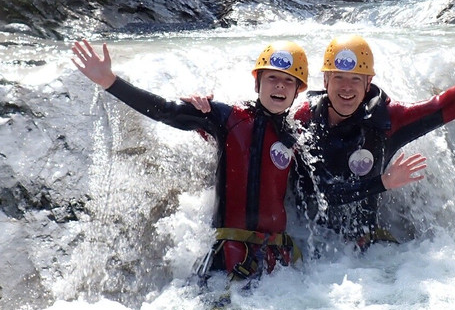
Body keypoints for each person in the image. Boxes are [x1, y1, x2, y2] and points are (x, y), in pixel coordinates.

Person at [71, 38, 310, 281]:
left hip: (276, 264)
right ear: (257, 83)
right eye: (272, 77)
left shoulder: (296, 136)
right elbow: (166, 111)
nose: (279, 86)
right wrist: (111, 82)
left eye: (288, 81)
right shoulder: (227, 117)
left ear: (297, 91)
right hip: (226, 258)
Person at [292, 13, 455, 245]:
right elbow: (315, 192)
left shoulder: (387, 121)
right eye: (339, 78)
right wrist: (382, 183)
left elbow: (446, 105)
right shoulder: (303, 119)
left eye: (356, 78)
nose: (347, 87)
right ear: (325, 81)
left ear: (368, 83)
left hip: (365, 252)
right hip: (309, 242)